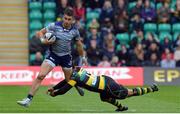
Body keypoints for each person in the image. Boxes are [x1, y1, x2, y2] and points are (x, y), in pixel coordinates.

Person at [17, 7, 87, 107]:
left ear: (72, 20)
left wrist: (83, 57)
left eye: (69, 19)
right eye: (65, 18)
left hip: (66, 56)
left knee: (68, 80)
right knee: (41, 76)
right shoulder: (54, 26)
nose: (67, 21)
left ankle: (77, 86)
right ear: (63, 17)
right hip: (53, 54)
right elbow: (40, 32)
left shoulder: (75, 31)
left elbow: (79, 45)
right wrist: (43, 41)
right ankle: (28, 99)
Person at [47, 66, 159, 111]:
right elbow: (64, 82)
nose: (64, 72)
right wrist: (54, 87)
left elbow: (63, 90)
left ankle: (152, 88)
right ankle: (121, 108)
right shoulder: (77, 68)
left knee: (130, 93)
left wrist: (54, 94)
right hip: (105, 82)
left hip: (108, 86)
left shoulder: (74, 79)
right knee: (104, 98)